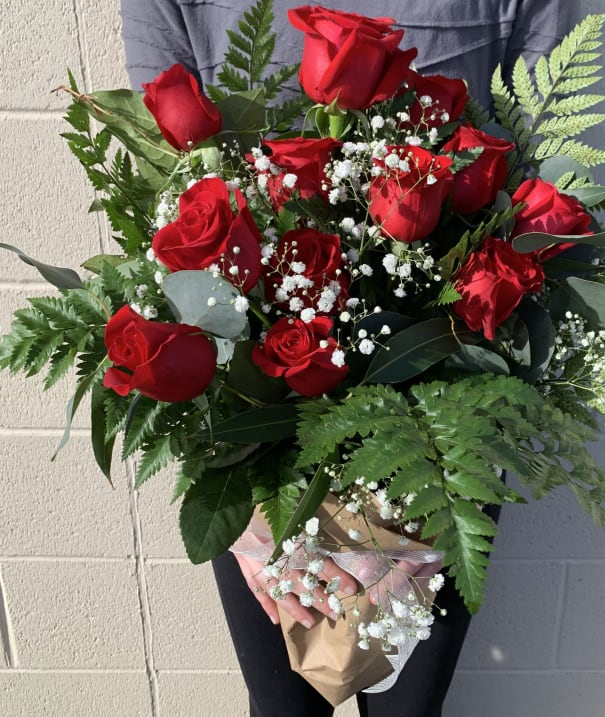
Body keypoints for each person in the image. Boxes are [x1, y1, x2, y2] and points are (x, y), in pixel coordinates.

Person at [120, 2, 581, 715]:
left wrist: (447, 482)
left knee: (408, 708)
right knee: (283, 703)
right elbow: (166, 190)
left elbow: (545, 173)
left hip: (446, 404)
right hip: (251, 415)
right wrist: (242, 500)